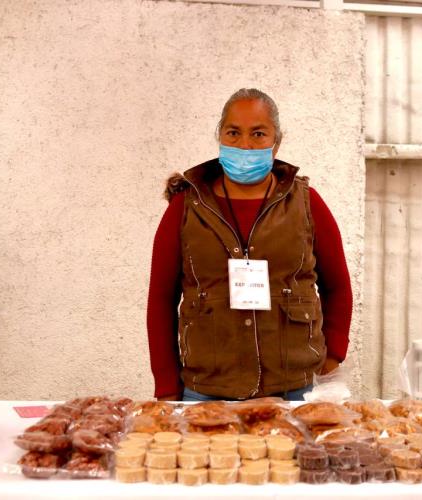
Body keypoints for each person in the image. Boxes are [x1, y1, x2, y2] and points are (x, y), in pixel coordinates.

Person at [147, 88, 352, 402]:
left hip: (294, 389)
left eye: (258, 134)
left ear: (276, 143)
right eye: (233, 132)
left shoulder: (306, 203)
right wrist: (166, 389)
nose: (245, 145)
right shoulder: (186, 206)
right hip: (207, 390)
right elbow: (161, 301)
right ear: (220, 137)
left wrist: (333, 356)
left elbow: (337, 287)